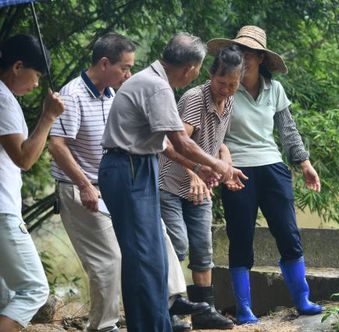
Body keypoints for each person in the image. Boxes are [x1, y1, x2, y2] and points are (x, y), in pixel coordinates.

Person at [98, 32, 244, 332]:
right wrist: (218, 165)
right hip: (127, 168)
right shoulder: (157, 86)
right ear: (192, 68)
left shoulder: (152, 81)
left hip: (138, 166)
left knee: (151, 256)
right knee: (144, 256)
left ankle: (153, 323)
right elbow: (180, 139)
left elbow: (164, 143)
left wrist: (196, 168)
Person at [207, 26, 323, 325]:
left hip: (272, 166)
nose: (242, 59)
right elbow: (211, 129)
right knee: (240, 237)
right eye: (239, 53)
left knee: (288, 233)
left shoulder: (275, 89)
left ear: (260, 58)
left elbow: (288, 131)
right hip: (237, 170)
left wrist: (305, 164)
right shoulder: (225, 88)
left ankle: (302, 299)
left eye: (248, 54)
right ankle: (244, 308)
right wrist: (222, 161)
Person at [48, 32, 134, 332]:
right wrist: (85, 185)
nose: (128, 73)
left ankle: (155, 310)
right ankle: (103, 326)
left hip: (111, 187)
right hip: (79, 189)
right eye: (125, 67)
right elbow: (56, 144)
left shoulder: (112, 95)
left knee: (140, 245)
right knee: (108, 258)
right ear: (104, 63)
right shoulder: (72, 94)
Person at [159, 45, 245, 330]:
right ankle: (165, 310)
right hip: (171, 183)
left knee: (202, 250)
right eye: (222, 83)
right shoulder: (195, 98)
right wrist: (194, 172)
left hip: (201, 185)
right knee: (176, 246)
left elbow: (219, 141)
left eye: (233, 85)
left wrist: (227, 165)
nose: (226, 90)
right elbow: (175, 144)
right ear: (210, 75)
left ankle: (204, 312)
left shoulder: (230, 100)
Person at [0, 34, 64, 332]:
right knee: (33, 290)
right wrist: (48, 118)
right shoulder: (3, 99)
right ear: (17, 66)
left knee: (6, 297)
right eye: (35, 75)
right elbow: (24, 159)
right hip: (2, 211)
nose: (37, 83)